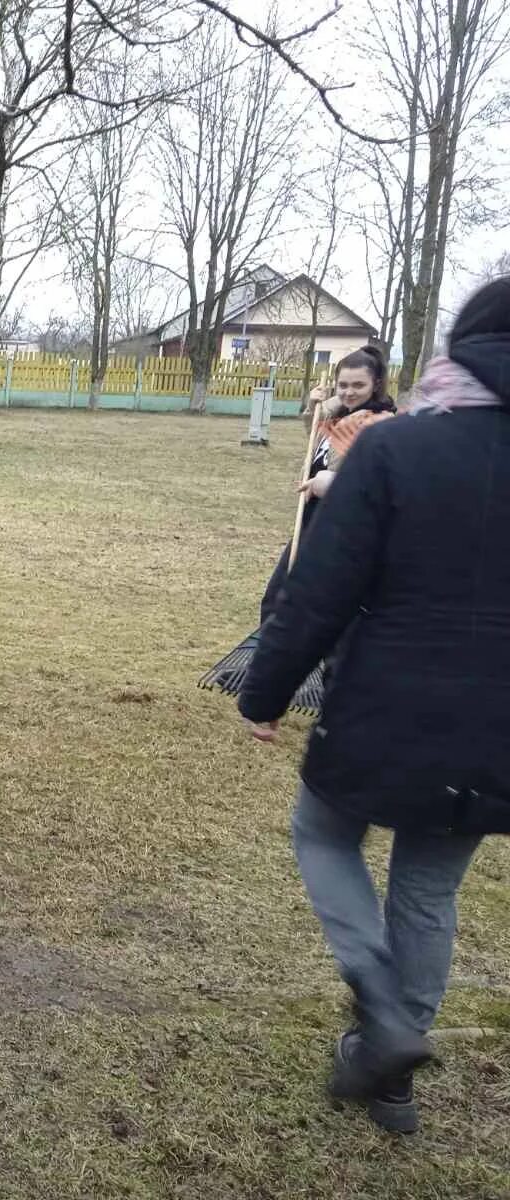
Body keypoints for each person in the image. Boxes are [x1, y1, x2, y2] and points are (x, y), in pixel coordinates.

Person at [239, 277, 510, 1135]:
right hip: (495, 731)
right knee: (428, 892)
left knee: (322, 833)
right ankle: (392, 1076)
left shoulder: (397, 450)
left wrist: (265, 691)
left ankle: (385, 1020)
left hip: (386, 704)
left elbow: (318, 589)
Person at [258, 344, 397, 626]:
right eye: (342, 385)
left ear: (376, 384)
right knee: (278, 596)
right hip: (314, 516)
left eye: (358, 385)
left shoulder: (380, 424)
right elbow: (316, 440)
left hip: (343, 523)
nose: (348, 392)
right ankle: (264, 662)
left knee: (314, 602)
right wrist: (315, 406)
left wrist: (332, 483)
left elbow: (379, 482)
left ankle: (317, 666)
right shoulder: (339, 416)